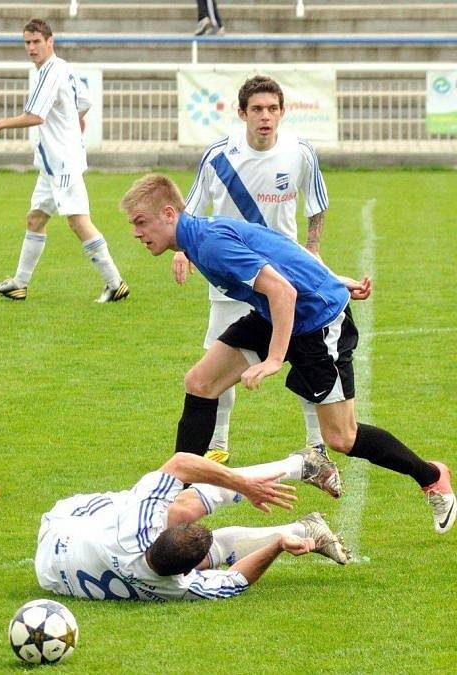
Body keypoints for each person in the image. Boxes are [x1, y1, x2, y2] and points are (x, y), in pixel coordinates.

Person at [120, 174, 456, 535]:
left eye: (141, 222)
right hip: (276, 314)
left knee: (342, 438)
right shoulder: (198, 236)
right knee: (200, 382)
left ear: (169, 213)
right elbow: (273, 245)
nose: (136, 233)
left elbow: (283, 292)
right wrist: (329, 278)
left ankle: (432, 475)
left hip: (317, 323)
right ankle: (174, 495)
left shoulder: (209, 242)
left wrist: (275, 359)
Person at [174, 75, 329, 464]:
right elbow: (188, 208)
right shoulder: (218, 156)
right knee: (216, 357)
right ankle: (217, 444)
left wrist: (312, 249)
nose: (265, 117)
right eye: (257, 109)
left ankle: (317, 443)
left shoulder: (300, 152)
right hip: (233, 278)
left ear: (282, 112)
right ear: (242, 113)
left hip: (287, 276)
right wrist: (182, 251)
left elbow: (317, 203)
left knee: (305, 355)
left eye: (273, 109)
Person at [36, 450, 349, 602]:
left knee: (181, 509)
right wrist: (281, 539)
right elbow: (237, 579)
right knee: (183, 509)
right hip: (65, 545)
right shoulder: (179, 587)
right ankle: (304, 506)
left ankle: (304, 466)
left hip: (61, 533)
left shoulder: (140, 526)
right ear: (189, 572)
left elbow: (180, 463)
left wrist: (244, 486)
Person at [0, 19, 129, 303]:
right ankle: (19, 283)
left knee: (77, 221)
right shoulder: (62, 68)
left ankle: (115, 282)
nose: (32, 48)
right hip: (53, 162)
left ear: (51, 41)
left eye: (37, 42)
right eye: (27, 42)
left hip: (62, 160)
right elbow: (83, 103)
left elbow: (36, 115)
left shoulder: (50, 72)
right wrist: (70, 125)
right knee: (35, 219)